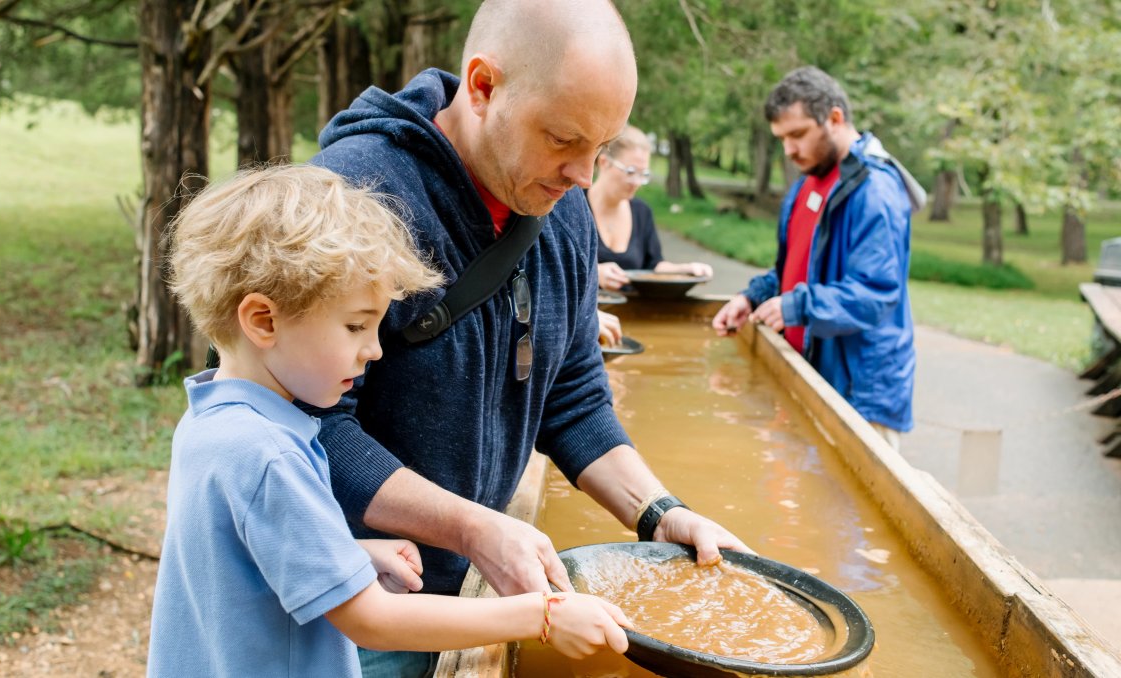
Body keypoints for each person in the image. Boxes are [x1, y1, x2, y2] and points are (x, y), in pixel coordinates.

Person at [307, 1, 750, 675]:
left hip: (475, 589)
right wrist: (475, 526)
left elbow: (571, 397)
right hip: (355, 599)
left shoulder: (564, 209)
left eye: (602, 149)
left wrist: (660, 514)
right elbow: (305, 428)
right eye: (564, 139)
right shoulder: (354, 195)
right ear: (483, 87)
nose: (584, 177)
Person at [146, 165, 632, 678]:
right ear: (264, 320)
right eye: (356, 326)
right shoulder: (270, 454)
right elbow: (373, 621)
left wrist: (344, 554)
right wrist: (543, 615)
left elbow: (233, 556)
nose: (374, 350)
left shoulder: (214, 420)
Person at [711, 66, 923, 448]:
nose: (789, 150)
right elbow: (793, 271)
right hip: (808, 375)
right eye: (781, 139)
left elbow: (875, 294)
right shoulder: (805, 185)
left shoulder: (875, 191)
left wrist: (796, 307)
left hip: (859, 396)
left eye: (797, 134)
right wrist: (751, 297)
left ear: (835, 118)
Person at [588, 125, 714, 291]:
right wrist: (594, 274)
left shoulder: (642, 212)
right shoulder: (573, 207)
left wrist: (686, 269)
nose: (637, 182)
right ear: (604, 163)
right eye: (631, 171)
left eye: (643, 174)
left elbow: (653, 266)